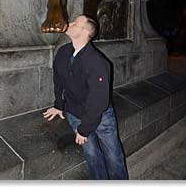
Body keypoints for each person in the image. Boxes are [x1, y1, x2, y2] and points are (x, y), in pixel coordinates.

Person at [43, 14, 128, 180]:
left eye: (76, 23)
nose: (70, 23)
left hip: (101, 117)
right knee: (92, 155)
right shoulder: (63, 52)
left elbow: (99, 102)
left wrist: (84, 129)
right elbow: (58, 80)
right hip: (75, 113)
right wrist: (59, 105)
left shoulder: (97, 62)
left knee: (113, 156)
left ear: (85, 32)